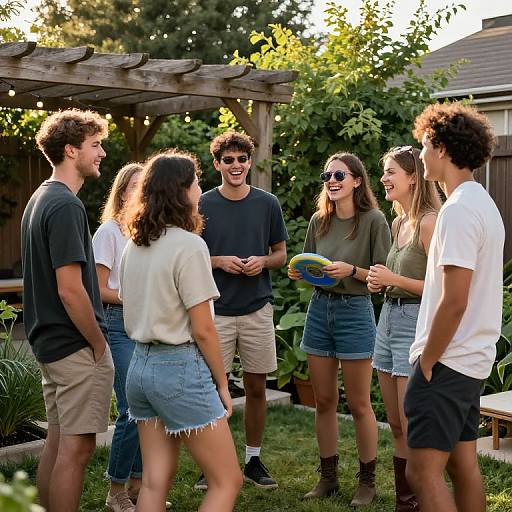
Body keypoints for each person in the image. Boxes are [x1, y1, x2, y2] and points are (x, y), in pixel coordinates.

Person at [120, 150, 243, 511]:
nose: (200, 188)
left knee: (154, 482)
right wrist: (222, 383)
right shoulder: (190, 247)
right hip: (177, 370)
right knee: (227, 480)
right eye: (196, 181)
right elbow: (204, 329)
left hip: (139, 370)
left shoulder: (133, 245)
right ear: (180, 190)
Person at [404, 102, 504, 512]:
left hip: (447, 362)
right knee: (463, 468)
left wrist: (427, 360)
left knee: (422, 473)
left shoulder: (458, 211)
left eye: (425, 145)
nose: (421, 155)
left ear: (442, 148)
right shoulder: (482, 203)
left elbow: (455, 300)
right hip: (470, 361)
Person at [21, 109, 114, 512]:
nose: (102, 154)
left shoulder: (41, 197)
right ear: (71, 150)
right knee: (77, 451)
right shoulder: (65, 206)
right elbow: (71, 290)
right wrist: (97, 343)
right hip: (75, 346)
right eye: (95, 145)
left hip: (50, 344)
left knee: (58, 442)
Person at [288, 152, 391, 506]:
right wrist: (297, 272)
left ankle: (367, 481)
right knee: (324, 401)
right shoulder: (320, 221)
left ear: (357, 181)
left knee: (360, 404)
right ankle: (328, 477)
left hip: (356, 311)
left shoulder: (374, 220)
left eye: (339, 175)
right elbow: (308, 267)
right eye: (326, 176)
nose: (331, 181)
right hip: (320, 310)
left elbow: (382, 280)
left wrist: (352, 271)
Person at [198, 132, 288, 489]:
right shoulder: (202, 204)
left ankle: (253, 459)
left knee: (256, 388)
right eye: (228, 160)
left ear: (250, 162)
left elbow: (281, 253)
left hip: (256, 309)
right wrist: (217, 260)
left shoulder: (267, 203)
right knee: (211, 390)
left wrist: (264, 262)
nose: (236, 166)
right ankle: (211, 463)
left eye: (241, 159)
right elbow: (188, 255)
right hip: (215, 312)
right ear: (217, 164)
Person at [366, 146, 441, 511]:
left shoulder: (430, 221)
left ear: (413, 176)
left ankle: (422, 498)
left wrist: (393, 277)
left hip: (414, 322)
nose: (384, 179)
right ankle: (404, 502)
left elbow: (442, 287)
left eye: (390, 171)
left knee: (411, 424)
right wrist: (380, 283)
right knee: (395, 423)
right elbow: (398, 278)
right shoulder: (398, 222)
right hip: (388, 319)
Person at [92, 163, 143, 512]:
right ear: (123, 191)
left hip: (145, 325)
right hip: (119, 324)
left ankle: (140, 485)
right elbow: (98, 290)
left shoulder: (144, 232)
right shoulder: (108, 233)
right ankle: (116, 489)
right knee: (129, 409)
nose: (142, 192)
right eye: (136, 186)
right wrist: (137, 297)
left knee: (146, 405)